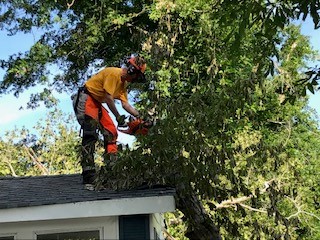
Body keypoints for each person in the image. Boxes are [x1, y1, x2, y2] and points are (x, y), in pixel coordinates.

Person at [73, 55, 147, 184]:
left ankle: (111, 168)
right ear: (132, 71)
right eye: (137, 76)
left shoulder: (123, 85)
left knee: (111, 132)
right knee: (90, 133)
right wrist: (118, 117)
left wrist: (142, 116)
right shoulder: (114, 74)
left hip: (96, 102)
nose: (135, 80)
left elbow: (126, 105)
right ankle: (88, 172)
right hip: (87, 97)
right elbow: (108, 98)